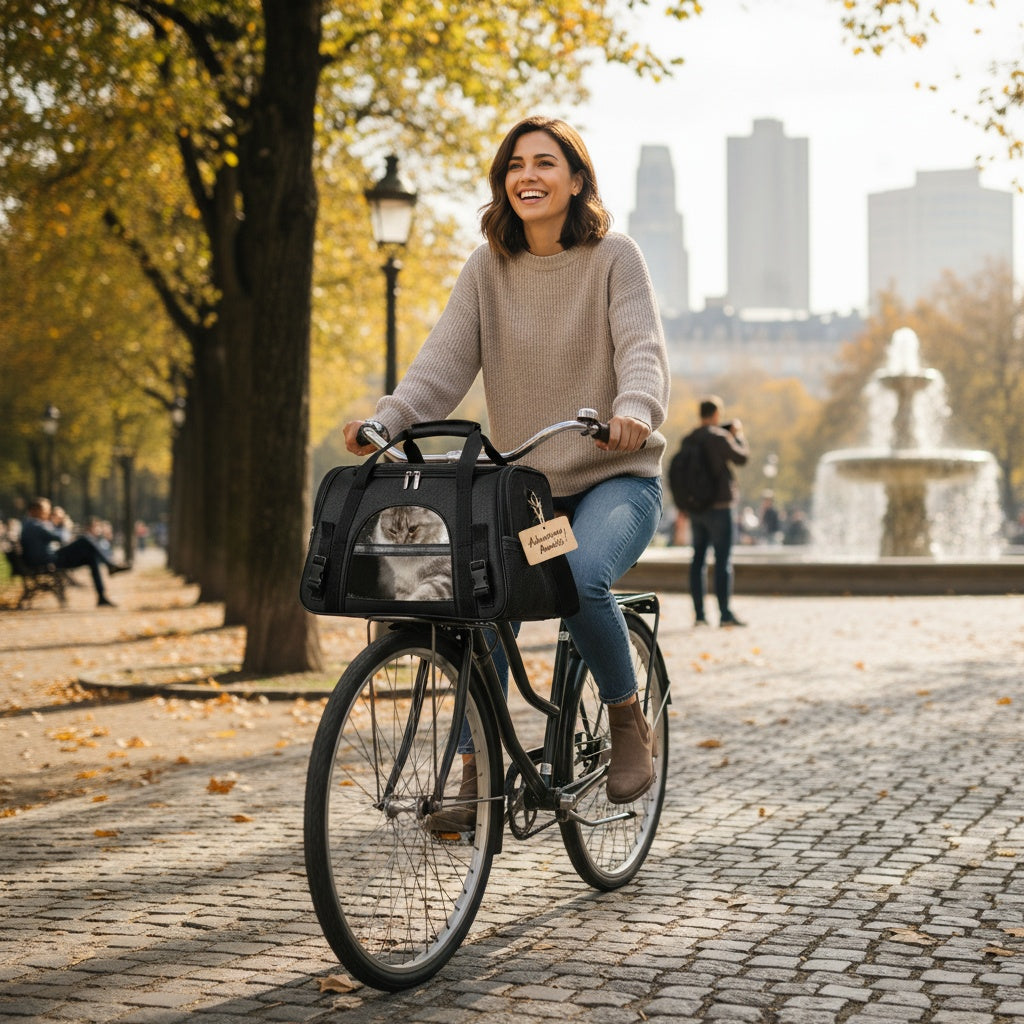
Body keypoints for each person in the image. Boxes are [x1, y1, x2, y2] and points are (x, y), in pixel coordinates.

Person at [344, 115, 670, 820]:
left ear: (577, 179)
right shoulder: (488, 267)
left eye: (546, 163)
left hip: (614, 479)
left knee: (580, 577)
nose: (528, 175)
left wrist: (636, 407)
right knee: (472, 605)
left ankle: (624, 721)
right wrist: (387, 420)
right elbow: (442, 366)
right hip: (531, 499)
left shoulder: (615, 256)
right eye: (515, 165)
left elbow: (641, 345)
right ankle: (474, 769)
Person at [686, 397, 749, 627]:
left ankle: (700, 615)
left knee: (698, 561)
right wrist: (737, 434)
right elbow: (742, 457)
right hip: (721, 506)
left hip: (697, 508)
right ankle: (724, 614)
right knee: (722, 561)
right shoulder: (719, 438)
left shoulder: (689, 438)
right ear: (715, 414)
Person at [19, 498, 129, 607]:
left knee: (91, 556)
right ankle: (109, 565)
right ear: (34, 510)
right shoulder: (35, 525)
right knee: (84, 540)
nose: (48, 512)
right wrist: (63, 524)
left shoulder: (31, 524)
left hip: (47, 559)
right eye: (45, 510)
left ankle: (101, 595)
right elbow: (63, 538)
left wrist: (56, 524)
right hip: (48, 561)